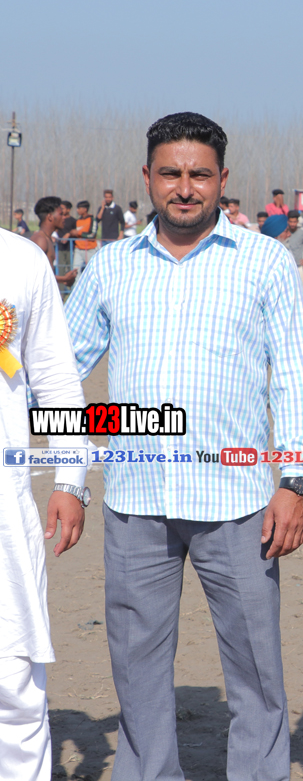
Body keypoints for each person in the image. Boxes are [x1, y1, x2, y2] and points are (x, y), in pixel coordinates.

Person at [63, 111, 303, 781]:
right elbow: (59, 370)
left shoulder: (264, 262)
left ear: (222, 179)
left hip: (238, 503)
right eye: (170, 173)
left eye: (199, 174)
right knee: (136, 667)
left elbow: (293, 377)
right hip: (135, 500)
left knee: (256, 669)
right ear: (147, 177)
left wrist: (295, 480)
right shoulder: (110, 267)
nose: (184, 187)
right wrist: (81, 465)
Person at [0, 228, 90, 781]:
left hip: (4, 510)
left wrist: (70, 477)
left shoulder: (20, 260)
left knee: (12, 681)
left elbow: (55, 376)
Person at [30, 196, 79, 285]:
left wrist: (65, 280)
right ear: (50, 217)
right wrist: (64, 278)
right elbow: (34, 275)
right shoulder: (40, 240)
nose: (64, 218)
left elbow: (46, 276)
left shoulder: (47, 238)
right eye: (61, 214)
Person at [279, 210, 303, 289]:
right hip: (286, 267)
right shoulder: (284, 232)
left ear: (297, 221)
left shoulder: (302, 232)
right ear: (288, 221)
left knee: (302, 288)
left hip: (298, 266)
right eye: (290, 222)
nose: (292, 224)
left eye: (294, 222)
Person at [69, 201, 97, 271]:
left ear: (85, 209)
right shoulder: (78, 221)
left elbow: (92, 235)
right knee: (75, 270)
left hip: (89, 249)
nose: (77, 210)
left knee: (91, 269)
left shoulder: (92, 220)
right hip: (78, 249)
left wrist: (79, 233)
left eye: (79, 208)